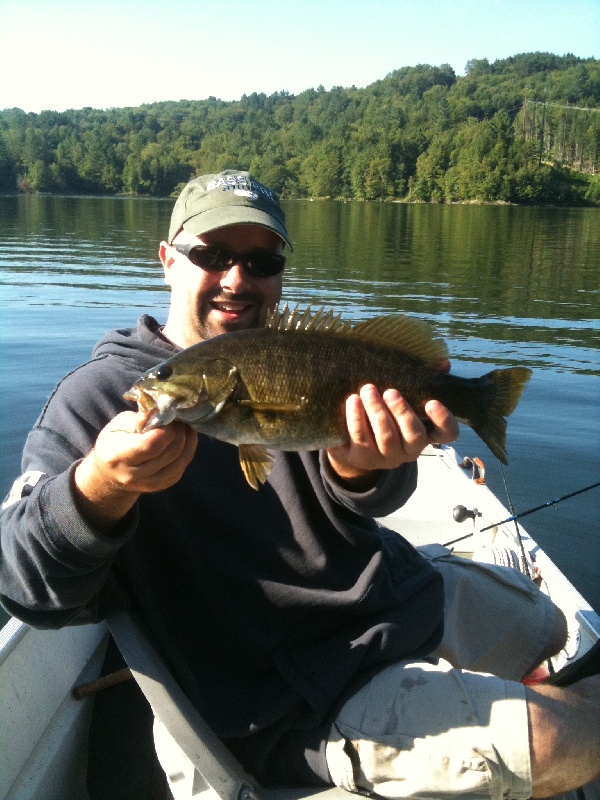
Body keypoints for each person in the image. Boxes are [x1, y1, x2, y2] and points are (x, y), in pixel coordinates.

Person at [1, 170, 598, 800]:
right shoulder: (97, 399)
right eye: (212, 255)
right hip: (296, 692)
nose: (237, 279)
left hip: (388, 600)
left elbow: (359, 501)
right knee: (564, 741)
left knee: (550, 626)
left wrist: (364, 466)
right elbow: (23, 582)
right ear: (168, 260)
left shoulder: (291, 354)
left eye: (260, 261)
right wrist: (97, 487)